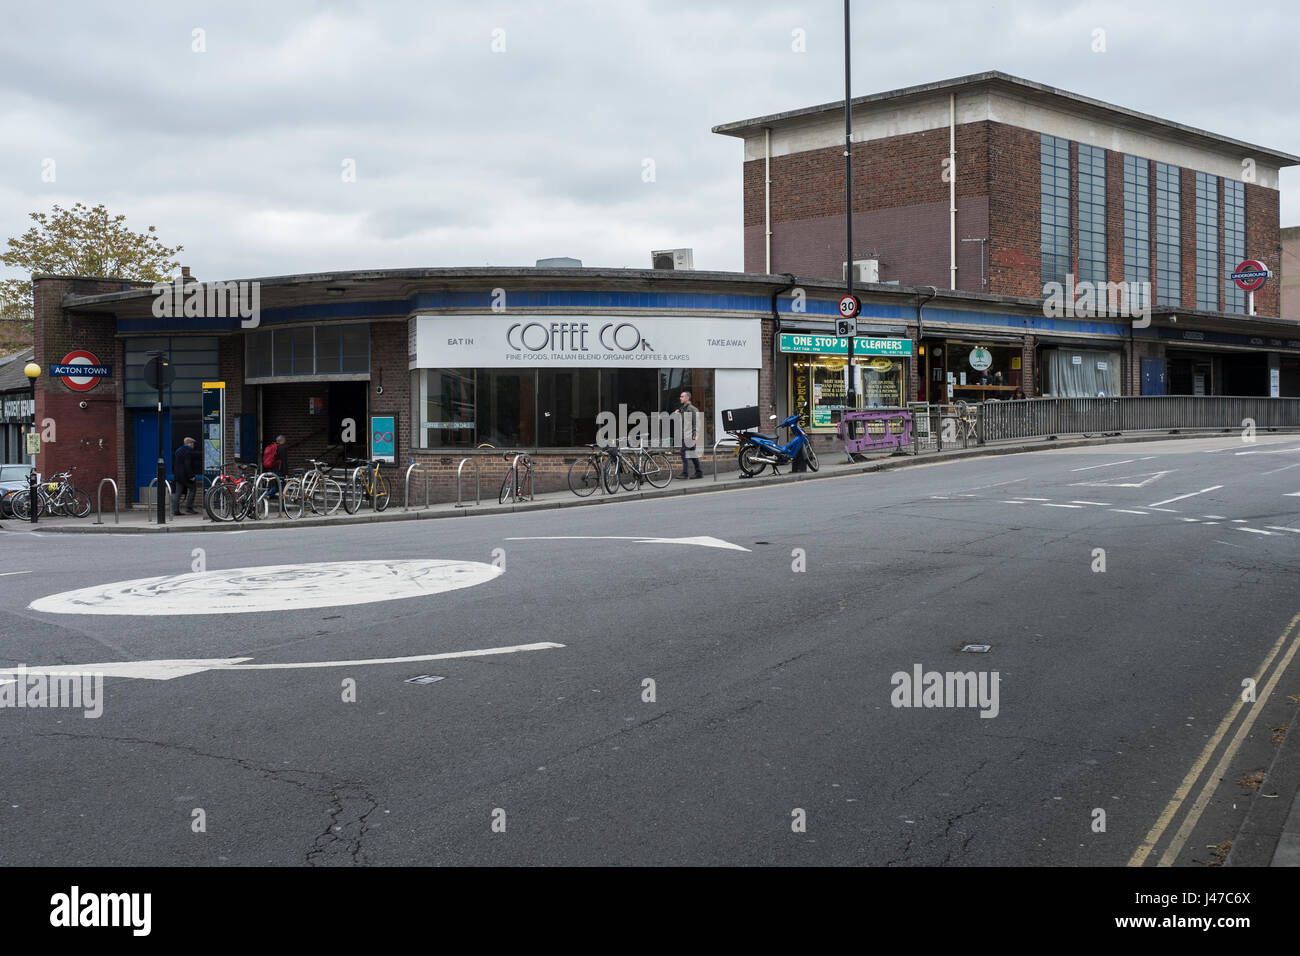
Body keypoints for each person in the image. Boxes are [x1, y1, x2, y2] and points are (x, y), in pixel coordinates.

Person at [677, 391, 704, 479]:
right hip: (685, 435)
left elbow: (697, 422)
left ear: (687, 398)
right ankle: (699, 472)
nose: (680, 398)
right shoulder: (682, 409)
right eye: (680, 396)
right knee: (692, 454)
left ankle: (685, 473)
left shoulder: (692, 409)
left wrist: (695, 434)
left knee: (683, 452)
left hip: (689, 436)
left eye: (682, 396)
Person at [171, 437, 200, 515]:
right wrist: (191, 476)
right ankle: (189, 508)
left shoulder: (178, 450)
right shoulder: (188, 451)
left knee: (178, 493)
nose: (193, 445)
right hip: (186, 476)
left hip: (178, 476)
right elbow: (188, 465)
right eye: (192, 443)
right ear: (188, 443)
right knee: (193, 489)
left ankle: (175, 510)